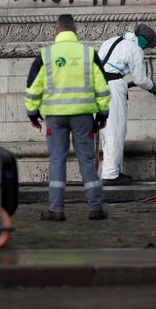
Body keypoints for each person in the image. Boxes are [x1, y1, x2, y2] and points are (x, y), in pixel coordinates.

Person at [25, 14, 111, 221]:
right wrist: (102, 114)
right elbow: (103, 87)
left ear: (56, 31)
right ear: (75, 30)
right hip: (83, 116)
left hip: (55, 118)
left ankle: (56, 209)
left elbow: (32, 88)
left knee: (57, 160)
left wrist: (33, 113)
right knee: (87, 160)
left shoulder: (45, 55)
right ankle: (96, 208)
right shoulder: (88, 53)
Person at [97, 23, 156, 185]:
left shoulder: (111, 41)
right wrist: (152, 87)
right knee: (115, 129)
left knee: (105, 130)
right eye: (149, 49)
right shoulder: (135, 49)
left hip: (97, 86)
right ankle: (111, 175)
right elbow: (140, 79)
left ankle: (112, 170)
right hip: (112, 89)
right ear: (145, 43)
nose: (146, 52)